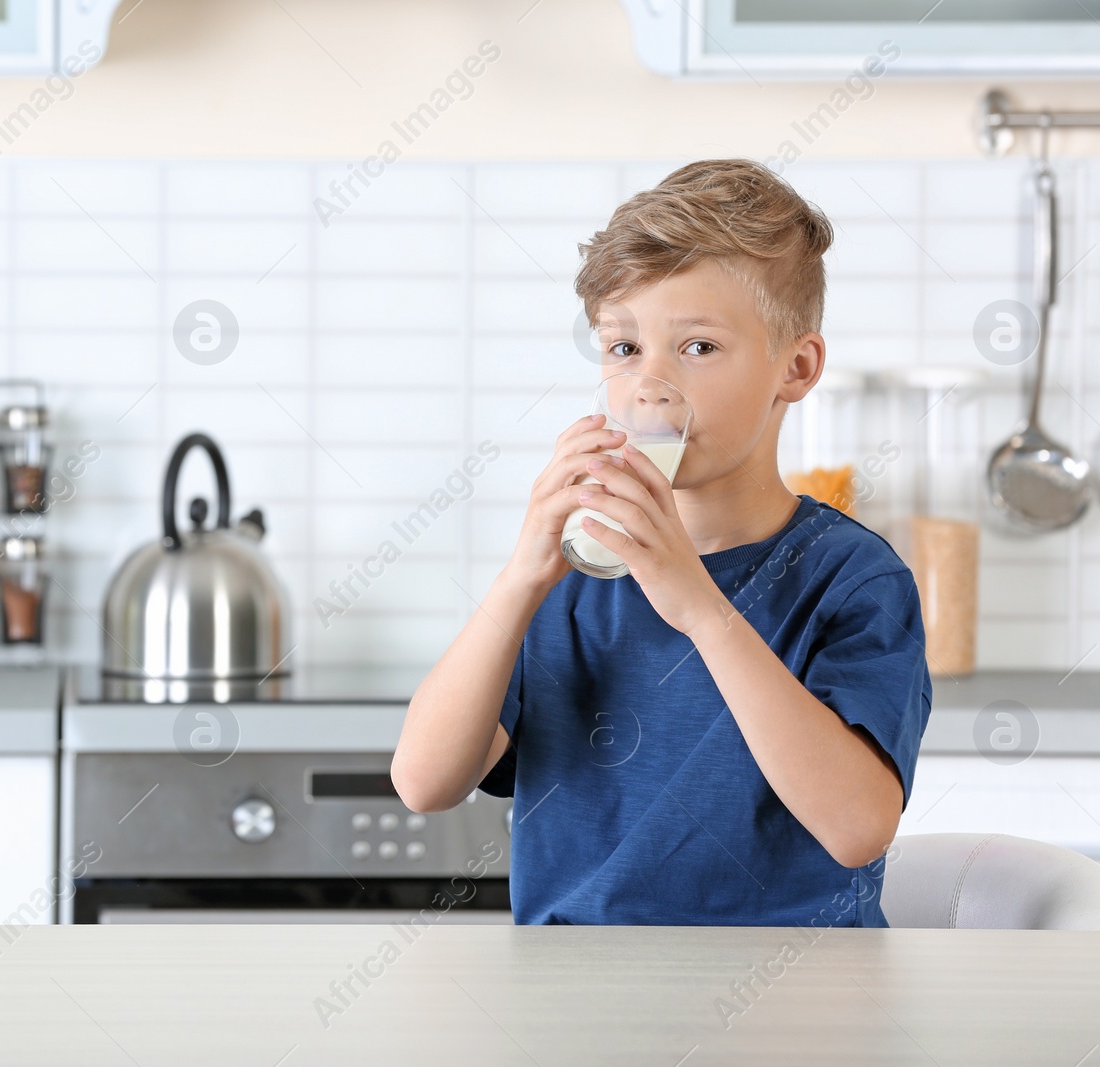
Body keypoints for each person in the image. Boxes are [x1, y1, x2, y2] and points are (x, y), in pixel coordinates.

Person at [391, 159, 932, 927]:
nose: (650, 386)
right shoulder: (574, 576)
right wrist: (520, 578)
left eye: (699, 348)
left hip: (791, 1013)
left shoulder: (852, 579)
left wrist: (700, 609)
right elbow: (423, 782)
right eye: (623, 348)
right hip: (581, 1008)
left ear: (797, 366)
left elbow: (855, 828)